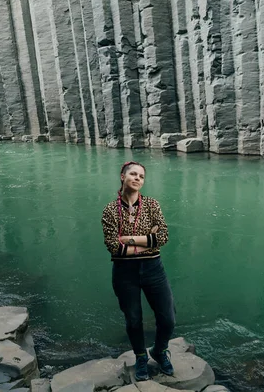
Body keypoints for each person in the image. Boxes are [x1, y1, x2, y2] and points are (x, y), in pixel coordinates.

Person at [101, 161, 176, 381]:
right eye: (133, 174)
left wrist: (130, 240)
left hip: (154, 269)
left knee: (168, 318)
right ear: (122, 177)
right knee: (133, 319)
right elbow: (114, 246)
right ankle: (141, 356)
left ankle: (159, 350)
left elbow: (162, 238)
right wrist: (147, 241)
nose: (138, 179)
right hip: (125, 273)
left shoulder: (152, 205)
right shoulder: (110, 210)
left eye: (141, 176)